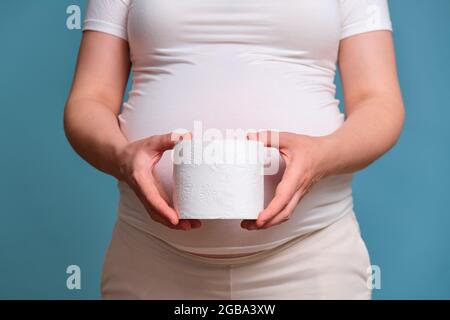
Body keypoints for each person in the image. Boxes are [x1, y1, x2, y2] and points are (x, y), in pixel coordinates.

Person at [64, 0, 404, 299]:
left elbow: (379, 102)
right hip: (150, 257)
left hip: (310, 257)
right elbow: (89, 99)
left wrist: (322, 156)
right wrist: (122, 158)